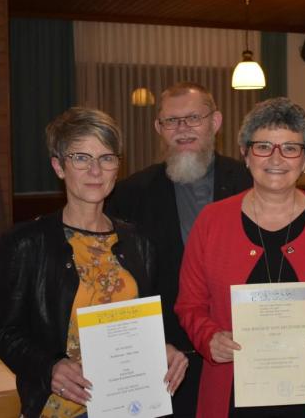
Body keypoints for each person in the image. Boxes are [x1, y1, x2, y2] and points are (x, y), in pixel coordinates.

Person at [0, 107, 189, 418]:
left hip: (131, 406)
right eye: (81, 158)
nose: (96, 170)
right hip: (62, 409)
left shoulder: (141, 243)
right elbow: (4, 332)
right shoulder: (26, 243)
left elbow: (148, 324)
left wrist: (166, 349)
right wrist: (49, 366)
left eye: (106, 158)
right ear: (58, 166)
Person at [175, 97, 305, 417]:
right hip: (231, 393)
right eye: (263, 146)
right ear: (245, 154)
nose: (276, 158)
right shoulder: (212, 220)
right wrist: (210, 339)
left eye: (291, 148)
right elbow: (189, 304)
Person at [107, 82, 252, 416]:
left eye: (193, 118)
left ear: (215, 122)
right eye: (171, 121)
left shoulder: (249, 182)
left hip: (241, 349)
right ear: (159, 128)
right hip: (167, 355)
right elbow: (123, 282)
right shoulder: (131, 193)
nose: (182, 129)